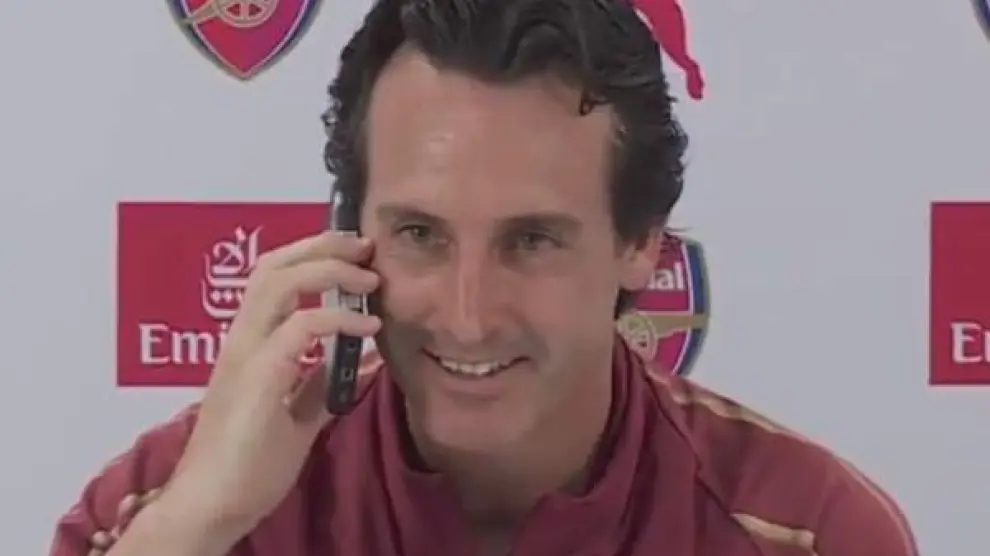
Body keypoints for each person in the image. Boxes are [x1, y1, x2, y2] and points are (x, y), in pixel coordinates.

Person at [49, 0, 920, 554]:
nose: (467, 317)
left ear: (641, 244)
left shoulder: (809, 532)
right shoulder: (173, 502)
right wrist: (200, 524)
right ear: (348, 233)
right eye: (420, 234)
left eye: (531, 241)